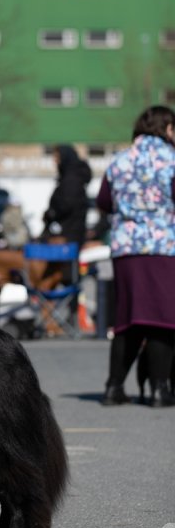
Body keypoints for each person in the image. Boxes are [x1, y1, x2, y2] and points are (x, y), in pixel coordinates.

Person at [97, 105, 175, 407]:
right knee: (162, 319)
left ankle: (113, 387)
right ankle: (159, 389)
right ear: (167, 128)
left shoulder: (119, 161)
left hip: (126, 247)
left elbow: (104, 201)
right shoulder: (170, 160)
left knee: (128, 319)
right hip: (164, 246)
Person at [42, 144, 92, 246]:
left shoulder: (71, 180)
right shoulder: (69, 177)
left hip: (68, 235)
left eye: (57, 157)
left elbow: (67, 205)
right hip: (67, 233)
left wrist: (51, 214)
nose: (55, 161)